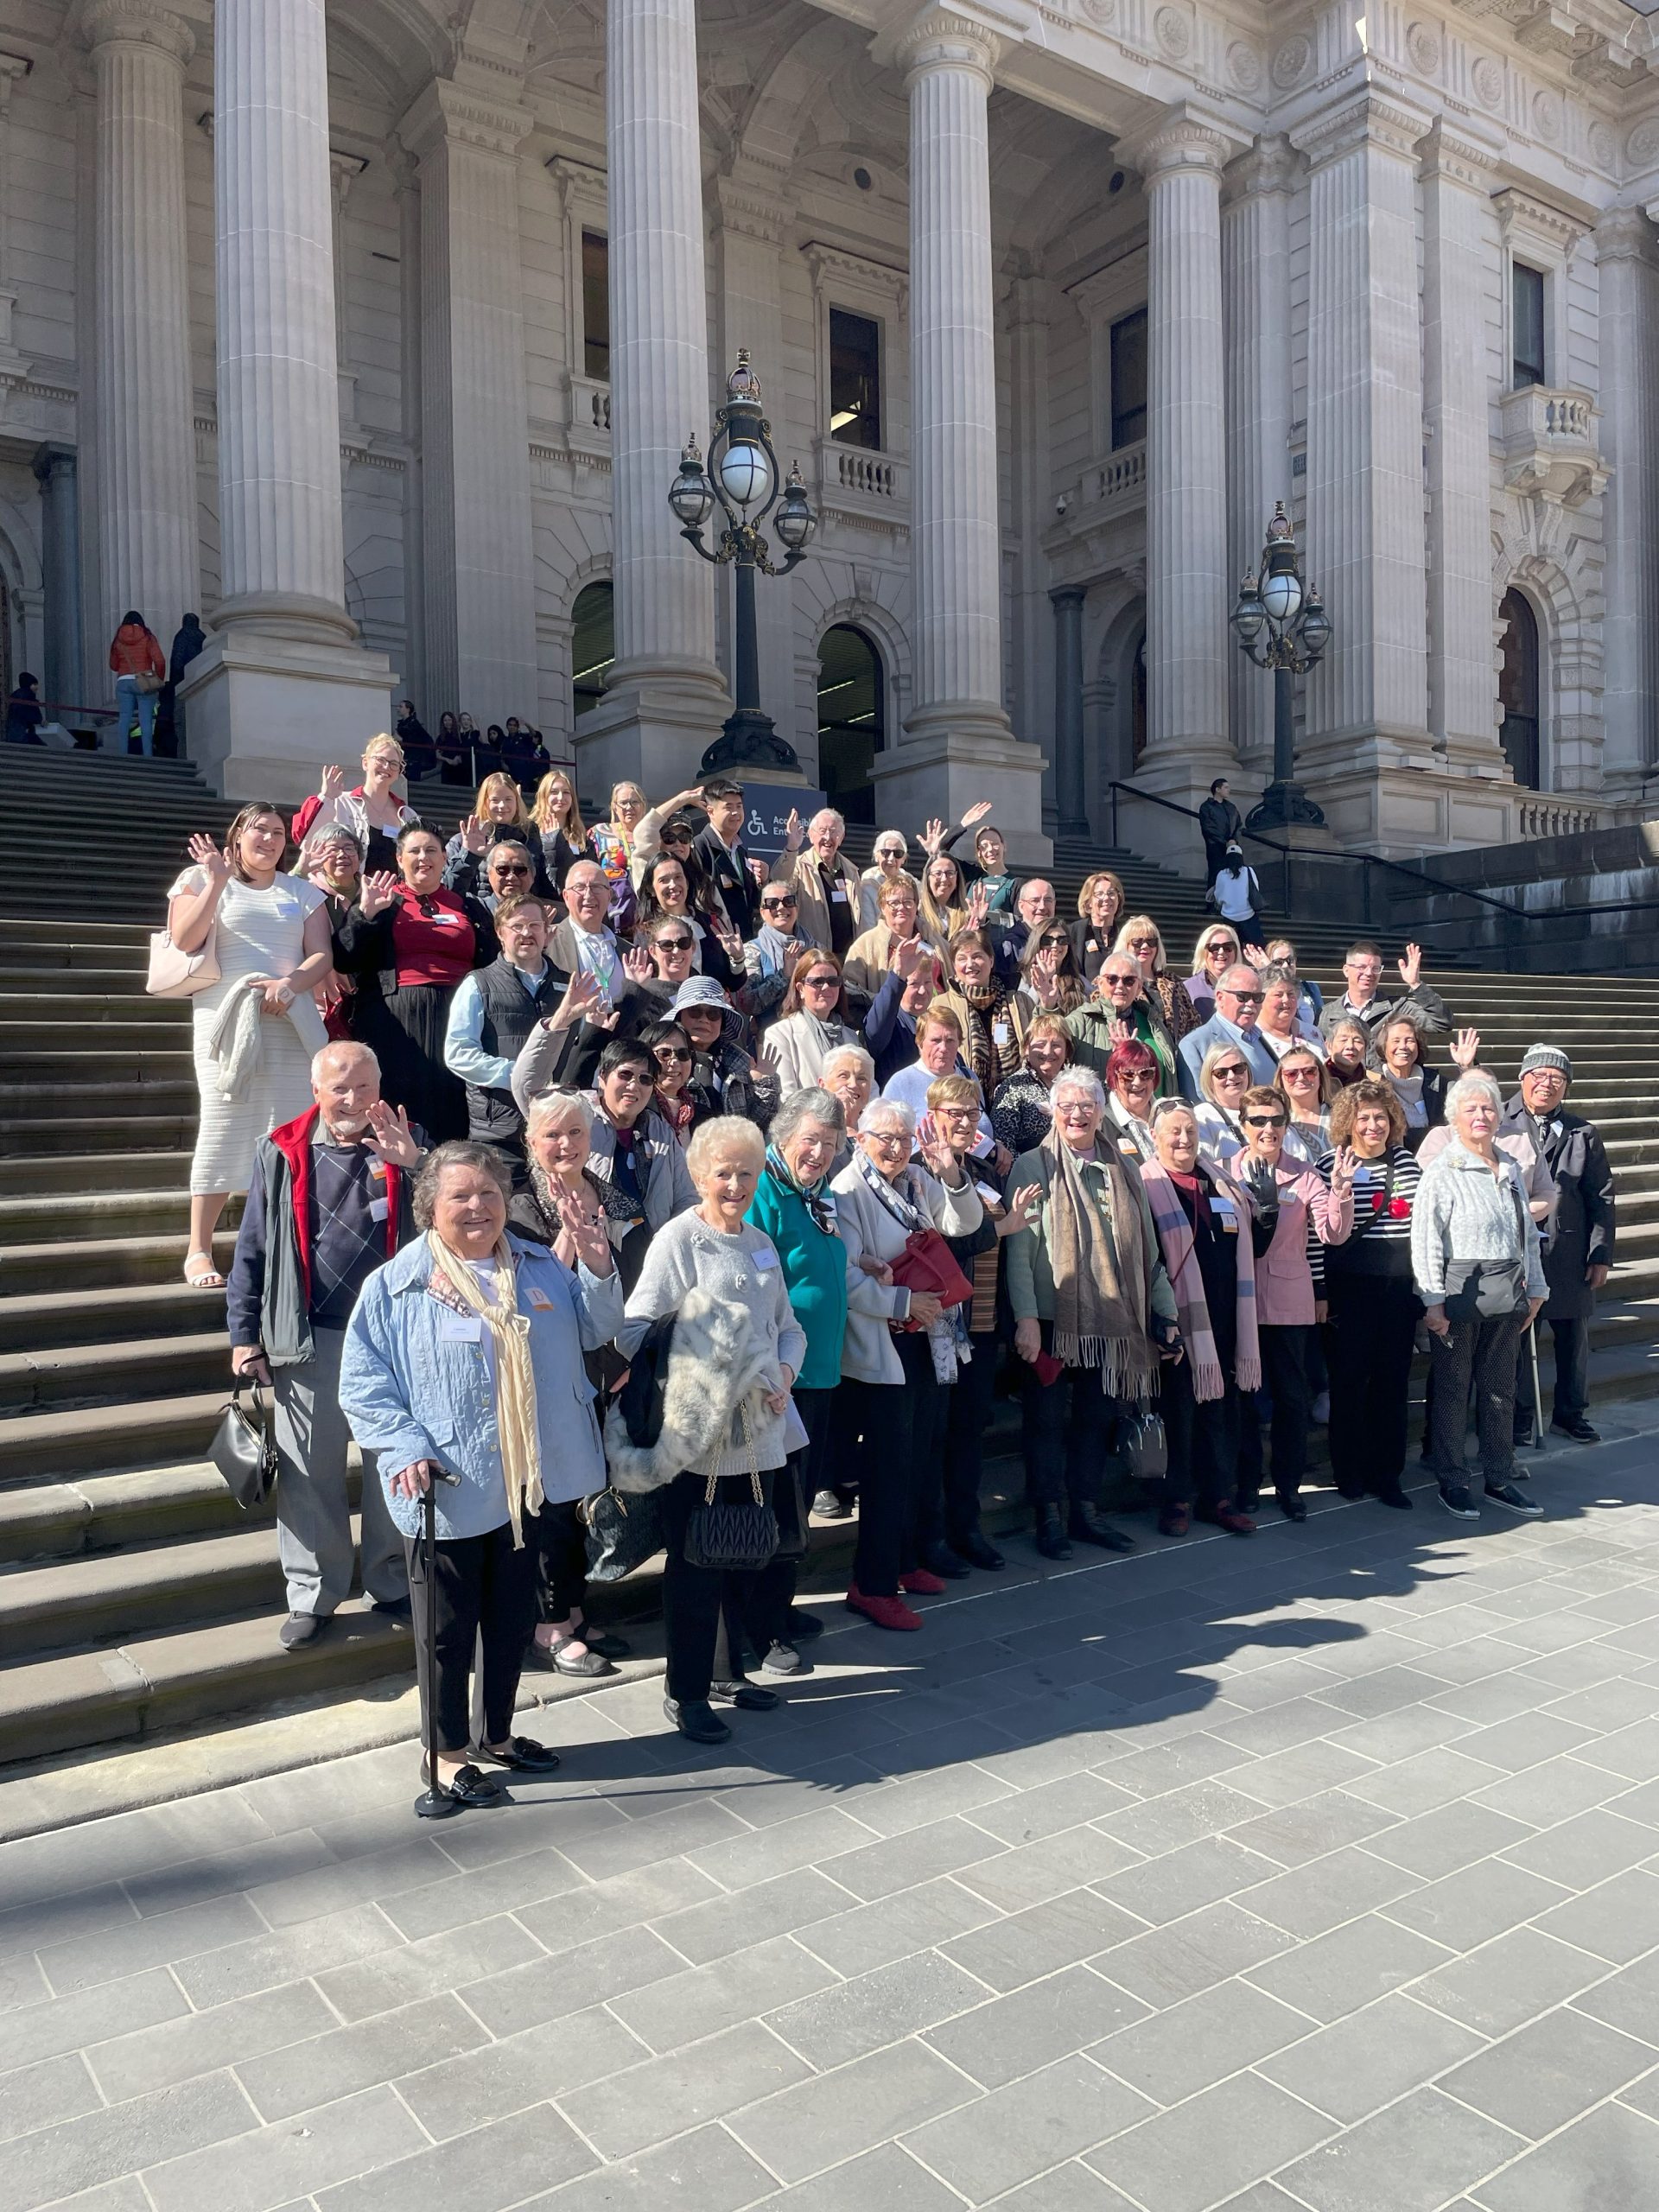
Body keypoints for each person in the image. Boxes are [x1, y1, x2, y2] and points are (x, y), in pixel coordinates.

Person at [339, 1142, 619, 1804]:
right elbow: (364, 1382)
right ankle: (444, 1752)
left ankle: (495, 1733)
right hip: (449, 1484)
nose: (478, 1207)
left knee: (511, 1618)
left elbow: (602, 1329)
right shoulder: (396, 1285)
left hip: (529, 1481)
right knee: (447, 1631)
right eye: (460, 1196)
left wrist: (599, 1261)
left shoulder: (540, 1263)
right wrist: (403, 1445)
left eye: (489, 1194)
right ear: (429, 1209)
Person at [610, 1116, 807, 1742]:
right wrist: (709, 1344)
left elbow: (789, 1326)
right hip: (699, 1441)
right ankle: (686, 1691)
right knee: (695, 1569)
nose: (735, 1183)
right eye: (722, 1172)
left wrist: (781, 1369)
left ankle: (728, 1672)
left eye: (746, 1172)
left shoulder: (760, 1241)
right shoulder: (679, 1240)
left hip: (762, 1433)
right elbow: (635, 1328)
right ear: (698, 1175)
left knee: (742, 1554)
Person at [227, 1041, 422, 1648]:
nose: (354, 1100)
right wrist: (244, 1335)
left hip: (394, 1335)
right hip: (311, 1336)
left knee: (393, 1464)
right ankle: (313, 1591)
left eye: (365, 1086)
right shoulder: (280, 1151)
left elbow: (457, 1221)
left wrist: (416, 1164)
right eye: (341, 1087)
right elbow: (252, 1249)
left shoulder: (408, 1140)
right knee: (309, 1472)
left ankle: (391, 1581)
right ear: (316, 1090)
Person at [1007, 1068, 1173, 1559]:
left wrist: (1165, 1313)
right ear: (1053, 1112)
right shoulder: (1032, 1165)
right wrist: (1026, 1318)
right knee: (1047, 1421)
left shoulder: (1125, 1168)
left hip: (1112, 1321)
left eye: (1086, 1106)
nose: (1077, 1114)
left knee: (1096, 1419)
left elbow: (1147, 1248)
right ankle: (1049, 1516)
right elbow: (1020, 1251)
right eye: (1067, 1106)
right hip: (1053, 1315)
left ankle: (1086, 1510)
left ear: (1102, 1111)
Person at [168, 807, 334, 1288]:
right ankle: (198, 1247)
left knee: (292, 1127)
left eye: (279, 832)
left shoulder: (302, 891)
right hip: (226, 1020)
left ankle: (282, 1238)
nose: (269, 839)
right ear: (237, 836)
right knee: (224, 1124)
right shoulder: (200, 878)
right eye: (258, 829)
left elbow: (321, 953)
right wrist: (216, 882)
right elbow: (185, 938)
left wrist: (291, 982)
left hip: (288, 1022)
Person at [831, 1097, 982, 1628]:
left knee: (920, 1456)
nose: (895, 1148)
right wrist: (901, 1303)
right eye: (884, 1138)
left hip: (929, 1336)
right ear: (860, 1139)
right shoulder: (847, 1191)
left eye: (902, 1138)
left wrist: (952, 1175)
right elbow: (848, 1276)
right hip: (883, 1340)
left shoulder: (918, 1180)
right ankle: (871, 1584)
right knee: (888, 1467)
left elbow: (963, 1224)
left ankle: (906, 1560)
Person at [504, 1090, 632, 1678]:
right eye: (552, 1135)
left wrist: (625, 1352)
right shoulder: (519, 1207)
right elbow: (536, 1290)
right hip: (546, 1370)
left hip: (608, 1362)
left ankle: (575, 1607)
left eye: (576, 1133)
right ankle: (547, 1622)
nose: (565, 1145)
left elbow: (641, 1276)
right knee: (552, 1502)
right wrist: (573, 1238)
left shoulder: (614, 1198)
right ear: (532, 1142)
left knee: (586, 1497)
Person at [744, 1088, 858, 1671]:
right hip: (779, 1379)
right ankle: (760, 1630)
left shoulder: (820, 1195)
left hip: (819, 1373)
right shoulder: (764, 1191)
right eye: (809, 1139)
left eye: (830, 1144)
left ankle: (781, 1609)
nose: (818, 1152)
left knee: (797, 1506)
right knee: (777, 1506)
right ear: (783, 1136)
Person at [1414, 1072, 1548, 1521]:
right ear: (1454, 1117)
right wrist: (1432, 1300)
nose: (1481, 1116)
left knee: (1499, 1391)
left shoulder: (1509, 1165)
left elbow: (1527, 1232)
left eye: (1488, 1108)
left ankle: (1499, 1474)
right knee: (1453, 1390)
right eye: (1470, 1109)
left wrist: (1539, 1288)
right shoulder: (1443, 1170)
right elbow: (1426, 1237)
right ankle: (1453, 1479)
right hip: (1459, 1296)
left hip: (1508, 1292)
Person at [927, 1074, 1039, 1573]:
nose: (965, 1121)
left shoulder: (981, 1169)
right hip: (938, 1325)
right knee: (937, 1436)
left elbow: (995, 1233)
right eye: (955, 1112)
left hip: (983, 1319)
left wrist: (1007, 1227)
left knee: (970, 1431)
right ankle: (931, 1537)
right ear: (932, 1116)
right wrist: (1002, 1227)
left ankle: (966, 1529)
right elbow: (940, 1243)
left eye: (972, 1113)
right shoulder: (922, 1169)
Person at [1139, 1097, 1260, 1537]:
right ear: (1155, 1136)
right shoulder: (1147, 1184)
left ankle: (1218, 1497)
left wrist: (1265, 1214)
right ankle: (1175, 1500)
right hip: (1178, 1318)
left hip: (1226, 1315)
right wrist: (1160, 1317)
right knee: (1181, 1411)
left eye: (1189, 1129)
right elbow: (1144, 1258)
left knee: (1221, 1409)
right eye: (1174, 1130)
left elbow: (1249, 1244)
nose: (1184, 1138)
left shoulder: (1220, 1181)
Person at [1231, 1086, 1352, 1522]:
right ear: (1243, 1125)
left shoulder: (1304, 1175)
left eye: (1277, 1120)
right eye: (1259, 1121)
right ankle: (1246, 1485)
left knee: (1291, 1397)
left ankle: (1288, 1485)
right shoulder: (1227, 1172)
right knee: (1245, 1397)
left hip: (1288, 1301)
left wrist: (1340, 1191)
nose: (1269, 1129)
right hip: (1241, 1300)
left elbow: (1333, 1233)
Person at [334, 826, 495, 1144]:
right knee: (402, 1108)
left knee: (455, 1106)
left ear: (445, 858)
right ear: (399, 859)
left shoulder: (466, 906)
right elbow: (344, 959)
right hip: (395, 1019)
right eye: (415, 851)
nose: (424, 858)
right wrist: (365, 914)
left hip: (460, 1016)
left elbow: (490, 962)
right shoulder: (383, 899)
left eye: (432, 851)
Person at [1317, 1079, 1422, 1508]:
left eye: (1380, 1116)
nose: (1373, 1125)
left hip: (1398, 1289)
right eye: (1364, 1118)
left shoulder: (1409, 1163)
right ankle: (1349, 1471)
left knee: (1392, 1384)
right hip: (1350, 1290)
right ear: (1348, 1122)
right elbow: (1320, 1233)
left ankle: (1387, 1474)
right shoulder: (1329, 1165)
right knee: (1348, 1382)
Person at [1503, 1044, 1615, 1446]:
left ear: (1565, 1087)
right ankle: (1514, 1416)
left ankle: (1570, 1413)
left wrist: (1600, 1254)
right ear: (1522, 1079)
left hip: (1567, 1252)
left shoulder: (1583, 1132)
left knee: (1573, 1337)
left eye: (1556, 1078)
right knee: (1513, 1337)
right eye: (1539, 1075)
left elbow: (1600, 1196)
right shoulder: (1499, 1121)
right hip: (1514, 1251)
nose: (1546, 1084)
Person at [442, 892, 568, 1177]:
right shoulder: (478, 984)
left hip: (556, 1130)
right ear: (500, 933)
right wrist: (518, 1074)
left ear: (546, 932)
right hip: (502, 1135)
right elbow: (458, 1053)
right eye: (517, 926)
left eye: (535, 926)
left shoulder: (568, 985)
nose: (527, 933)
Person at [665, 976, 779, 1129]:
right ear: (679, 1017)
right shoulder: (664, 1062)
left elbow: (758, 1125)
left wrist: (764, 1084)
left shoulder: (740, 1062)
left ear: (722, 1023)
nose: (704, 1020)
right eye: (695, 1011)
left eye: (713, 1014)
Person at [291, 738, 419, 872]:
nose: (386, 767)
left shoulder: (407, 815)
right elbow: (308, 842)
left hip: (392, 891)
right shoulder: (339, 802)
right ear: (365, 763)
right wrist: (325, 798)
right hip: (347, 891)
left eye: (394, 764)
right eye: (380, 760)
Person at [1067, 954, 1178, 1092]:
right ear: (1100, 984)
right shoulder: (1080, 1021)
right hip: (1103, 1111)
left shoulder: (1152, 1021)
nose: (1120, 986)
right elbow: (1049, 1052)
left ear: (1139, 987)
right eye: (1112, 979)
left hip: (1155, 1110)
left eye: (1129, 980)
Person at [758, 948, 859, 1099]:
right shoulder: (780, 1034)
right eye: (817, 982)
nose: (826, 987)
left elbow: (867, 1089)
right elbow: (786, 1098)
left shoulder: (851, 1037)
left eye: (833, 981)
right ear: (800, 989)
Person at [1372, 1015, 1478, 1150]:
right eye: (1396, 1041)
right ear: (1383, 1047)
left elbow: (1472, 1101)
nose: (1403, 1047)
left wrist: (1467, 1068)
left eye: (1410, 1040)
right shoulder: (1373, 1085)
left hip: (1438, 1157)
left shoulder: (1438, 1084)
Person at [940, 927, 1026, 1093]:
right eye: (962, 959)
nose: (970, 964)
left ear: (991, 961)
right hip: (962, 1098)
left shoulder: (1017, 1001)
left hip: (1015, 1098)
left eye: (977, 956)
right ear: (954, 965)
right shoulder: (942, 1005)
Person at [771, 806, 862, 957]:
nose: (828, 837)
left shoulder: (851, 871)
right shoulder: (798, 866)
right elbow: (779, 884)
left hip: (849, 959)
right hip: (814, 956)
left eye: (833, 831)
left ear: (842, 836)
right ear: (811, 836)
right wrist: (792, 848)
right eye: (822, 831)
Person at [1319, 939, 1449, 1045]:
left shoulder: (1398, 1008)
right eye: (1361, 967)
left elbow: (1441, 1023)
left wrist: (1416, 984)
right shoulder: (1327, 1014)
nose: (1369, 973)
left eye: (1376, 968)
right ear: (1346, 970)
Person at [1178, 963, 1279, 1097]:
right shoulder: (1194, 1044)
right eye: (1242, 997)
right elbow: (1197, 1102)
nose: (1251, 1004)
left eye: (1257, 998)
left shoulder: (1261, 1038)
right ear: (1220, 998)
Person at [692, 778, 766, 939]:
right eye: (728, 807)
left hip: (745, 939)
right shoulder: (700, 846)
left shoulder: (740, 851)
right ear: (710, 811)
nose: (736, 813)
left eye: (739, 807)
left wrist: (763, 881)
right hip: (717, 940)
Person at [861, 939, 942, 1088]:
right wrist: (898, 975)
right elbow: (873, 1034)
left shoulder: (935, 1022)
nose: (923, 991)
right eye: (914, 984)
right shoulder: (892, 1021)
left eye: (927, 983)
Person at [992, 1014, 1071, 1157]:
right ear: (1027, 1048)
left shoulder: (1076, 1086)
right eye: (1041, 1044)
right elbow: (1004, 1149)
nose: (1048, 1051)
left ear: (1066, 1049)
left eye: (1056, 1045)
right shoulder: (1011, 1088)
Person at [842, 873, 927, 1001]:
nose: (901, 907)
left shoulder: (933, 941)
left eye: (908, 902)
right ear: (882, 907)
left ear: (916, 906)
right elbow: (851, 991)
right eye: (894, 903)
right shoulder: (864, 946)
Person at [1116, 917, 1199, 1043]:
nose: (1145, 946)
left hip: (1175, 1057)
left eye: (1151, 942)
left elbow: (1194, 1023)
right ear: (1125, 946)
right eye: (1137, 942)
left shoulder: (1174, 982)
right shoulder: (1112, 981)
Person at [109, 608, 165, 755]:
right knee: (146, 719)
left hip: (123, 681)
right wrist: (158, 679)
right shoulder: (147, 636)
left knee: (124, 718)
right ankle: (148, 755)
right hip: (144, 679)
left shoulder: (117, 638)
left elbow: (113, 665)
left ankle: (123, 753)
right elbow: (160, 661)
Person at [1274, 1045, 1337, 1167]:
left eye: (1309, 1072)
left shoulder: (1342, 1116)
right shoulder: (1277, 1123)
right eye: (1291, 1074)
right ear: (1281, 1079)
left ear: (1320, 1075)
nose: (1301, 1078)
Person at [1192, 1042, 1252, 1169]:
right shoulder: (1203, 1117)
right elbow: (1204, 1167)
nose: (1232, 1076)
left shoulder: (1264, 1110)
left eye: (1238, 1068)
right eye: (1221, 1073)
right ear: (1209, 1079)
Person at [1103, 1039, 1160, 1166]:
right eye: (1128, 1075)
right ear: (1114, 1078)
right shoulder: (1102, 1124)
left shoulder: (1169, 1113)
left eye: (1145, 1073)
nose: (1137, 1082)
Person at [530, 768, 587, 893]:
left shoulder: (581, 836)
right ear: (544, 796)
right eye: (554, 792)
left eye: (566, 792)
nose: (561, 797)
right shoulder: (530, 832)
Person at [1019, 918, 1088, 1019]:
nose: (1055, 945)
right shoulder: (1025, 977)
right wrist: (1043, 979)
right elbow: (1024, 1012)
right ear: (1037, 944)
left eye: (1062, 940)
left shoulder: (1078, 980)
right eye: (1047, 940)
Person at [1068, 872, 1128, 983]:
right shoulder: (1073, 932)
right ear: (1088, 902)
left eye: (1111, 893)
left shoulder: (1125, 935)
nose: (1106, 898)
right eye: (1099, 894)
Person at [1255, 963, 1318, 1062]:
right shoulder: (1252, 1036)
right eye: (1278, 995)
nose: (1286, 999)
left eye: (1290, 994)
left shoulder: (1313, 1033)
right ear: (1261, 998)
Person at [1185, 924, 1243, 1023]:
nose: (1221, 952)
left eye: (1227, 947)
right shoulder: (1187, 989)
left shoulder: (1247, 987)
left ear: (1236, 951)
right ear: (1203, 952)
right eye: (1214, 947)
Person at [1210, 844, 1264, 950]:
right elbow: (1256, 888)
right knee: (1256, 947)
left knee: (1231, 946)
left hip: (1229, 916)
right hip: (1248, 914)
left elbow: (1219, 896)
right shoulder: (1249, 871)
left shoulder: (1221, 874)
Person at [918, 851, 971, 952]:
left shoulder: (967, 916)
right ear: (928, 878)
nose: (944, 879)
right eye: (938, 873)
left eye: (950, 873)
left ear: (957, 879)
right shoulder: (917, 913)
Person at [859, 830, 912, 929]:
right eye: (885, 852)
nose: (891, 858)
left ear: (904, 859)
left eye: (898, 853)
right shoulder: (866, 886)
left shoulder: (912, 885)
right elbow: (868, 928)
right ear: (876, 856)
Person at [1199, 776, 1243, 887]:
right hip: (1215, 846)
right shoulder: (1207, 807)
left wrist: (1234, 840)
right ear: (1217, 789)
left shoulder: (1231, 807)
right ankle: (1213, 902)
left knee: (1233, 873)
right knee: (1216, 873)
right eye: (1226, 787)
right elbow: (1208, 828)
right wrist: (1225, 842)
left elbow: (1238, 825)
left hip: (1232, 846)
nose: (1229, 790)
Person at [1325, 1017, 1370, 1090]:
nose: (1350, 1046)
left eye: (1357, 1041)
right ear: (1329, 1046)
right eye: (1343, 1040)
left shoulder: (1375, 1081)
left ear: (1365, 1048)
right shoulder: (1317, 1079)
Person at [395, 700, 435, 780]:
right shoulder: (402, 724)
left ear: (408, 709)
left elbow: (421, 739)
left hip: (414, 760)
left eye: (401, 706)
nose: (398, 708)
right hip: (405, 757)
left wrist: (402, 739)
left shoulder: (414, 724)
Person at [4, 670, 43, 744]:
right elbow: (30, 714)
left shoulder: (16, 696)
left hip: (13, 733)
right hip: (24, 733)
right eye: (34, 684)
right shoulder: (28, 696)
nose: (37, 687)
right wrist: (40, 720)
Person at [434, 711, 469, 785]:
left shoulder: (460, 735)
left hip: (460, 766)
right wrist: (448, 760)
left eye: (449, 720)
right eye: (445, 720)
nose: (447, 722)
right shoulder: (441, 737)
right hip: (447, 767)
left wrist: (458, 757)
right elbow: (437, 755)